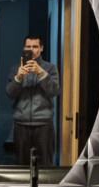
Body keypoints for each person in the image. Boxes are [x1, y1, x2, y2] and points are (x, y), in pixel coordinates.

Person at [5, 35, 60, 165]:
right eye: (28, 47)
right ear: (24, 48)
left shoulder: (50, 68)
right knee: (22, 164)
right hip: (21, 125)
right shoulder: (16, 69)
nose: (32, 50)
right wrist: (18, 78)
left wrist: (40, 73)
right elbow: (10, 94)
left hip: (44, 125)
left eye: (35, 46)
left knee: (45, 164)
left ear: (41, 48)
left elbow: (54, 91)